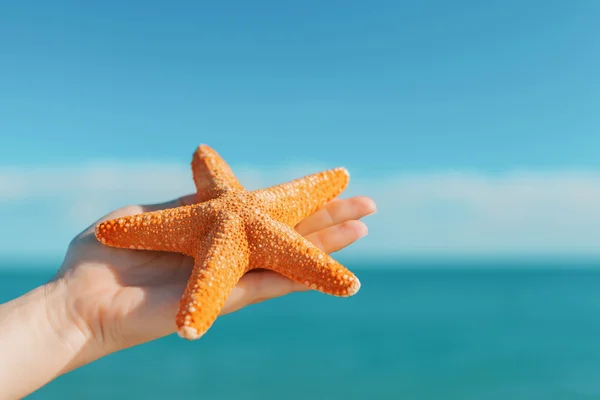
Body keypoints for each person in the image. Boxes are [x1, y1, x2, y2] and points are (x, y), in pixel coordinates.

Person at [0, 192, 376, 399]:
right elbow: (112, 231)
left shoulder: (228, 211)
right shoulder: (219, 217)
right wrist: (67, 312)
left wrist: (65, 314)